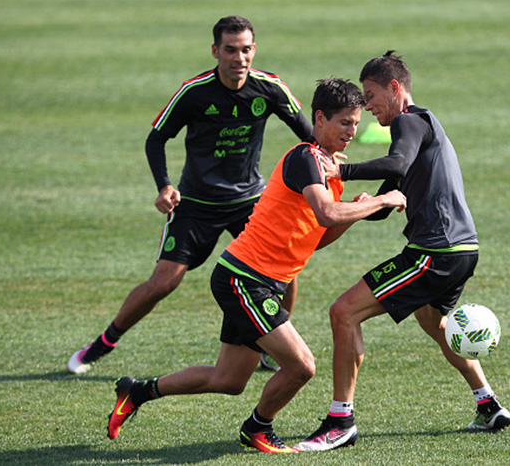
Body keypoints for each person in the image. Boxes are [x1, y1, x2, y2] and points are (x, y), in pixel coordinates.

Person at [105, 78, 407, 453]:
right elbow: (326, 214)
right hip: (245, 280)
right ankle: (257, 428)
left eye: (356, 122)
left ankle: (136, 391)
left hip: (261, 281)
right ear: (320, 118)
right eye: (345, 122)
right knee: (302, 366)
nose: (353, 131)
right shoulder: (305, 158)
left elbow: (321, 234)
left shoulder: (329, 171)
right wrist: (379, 201)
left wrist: (355, 212)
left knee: (228, 379)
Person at [294, 51, 510, 452]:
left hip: (436, 252)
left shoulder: (408, 122)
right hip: (461, 250)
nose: (367, 104)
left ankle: (339, 421)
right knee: (433, 323)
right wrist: (365, 205)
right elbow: (390, 194)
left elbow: (395, 162)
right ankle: (490, 405)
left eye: (372, 94)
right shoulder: (421, 128)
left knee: (344, 312)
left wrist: (340, 170)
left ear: (396, 89)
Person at [67, 16, 311, 375]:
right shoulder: (194, 93)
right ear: (216, 51)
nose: (238, 58)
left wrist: (325, 164)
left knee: (286, 275)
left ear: (253, 50)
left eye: (245, 50)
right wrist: (165, 186)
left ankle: (271, 347)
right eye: (230, 50)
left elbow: (308, 135)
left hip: (250, 202)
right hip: (197, 204)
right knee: (164, 282)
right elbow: (156, 138)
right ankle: (104, 342)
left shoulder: (269, 88)